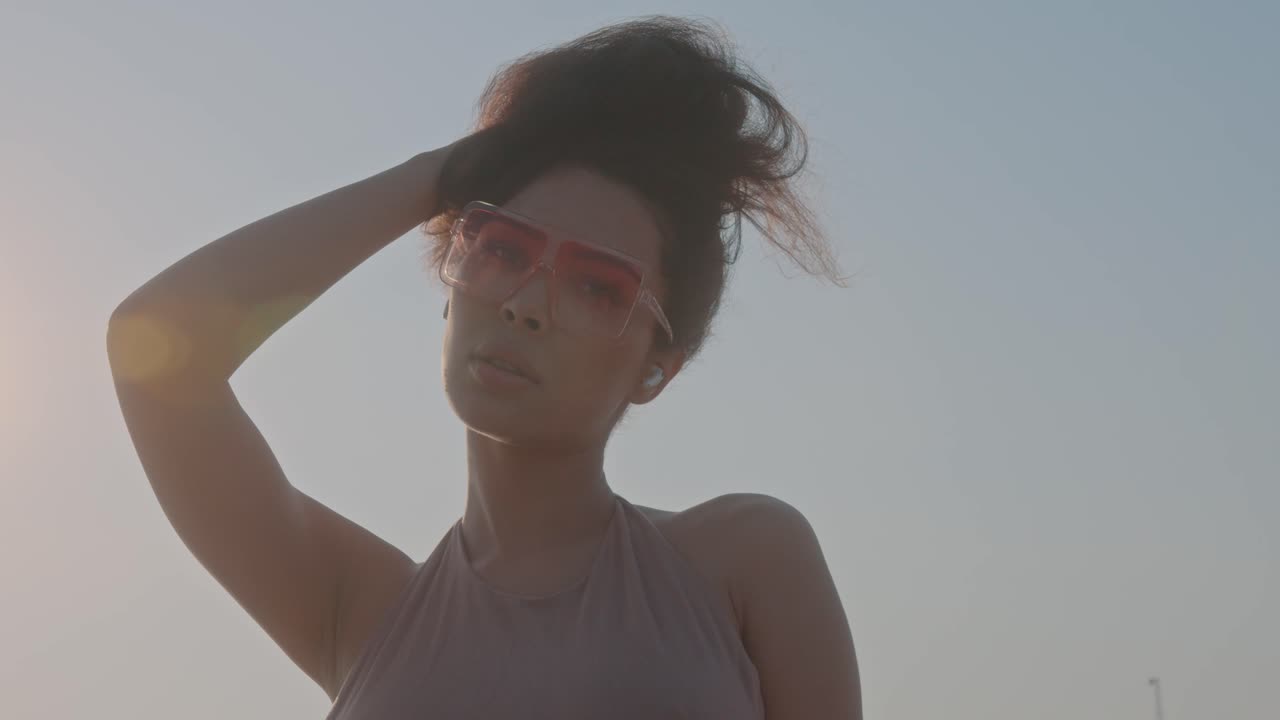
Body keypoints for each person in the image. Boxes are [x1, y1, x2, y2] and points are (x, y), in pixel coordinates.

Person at [107, 15, 861, 719]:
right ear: (450, 281)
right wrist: (439, 177)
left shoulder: (743, 561)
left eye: (598, 287)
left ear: (656, 368)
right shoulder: (358, 611)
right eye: (502, 249)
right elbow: (156, 344)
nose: (527, 304)